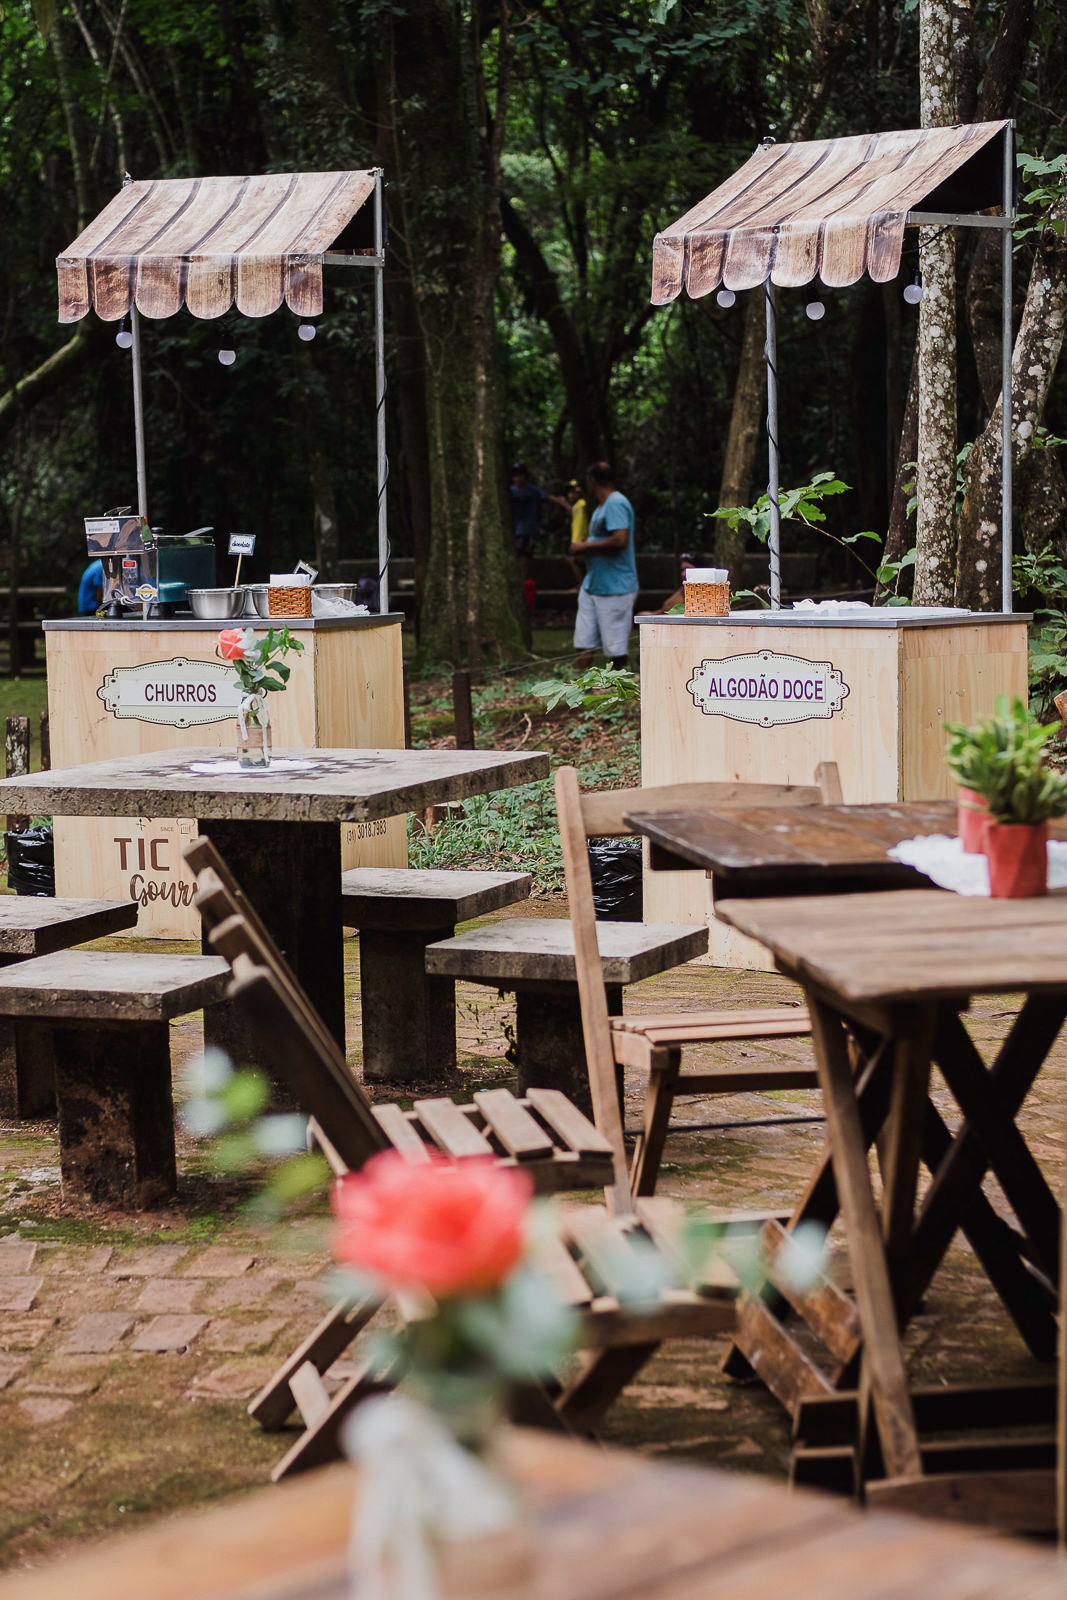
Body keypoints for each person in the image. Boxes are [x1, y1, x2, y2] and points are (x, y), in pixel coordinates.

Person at [570, 461, 638, 669]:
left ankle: (619, 690)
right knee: (583, 641)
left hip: (615, 586)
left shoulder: (616, 503)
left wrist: (584, 546)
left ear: (592, 481)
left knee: (615, 648)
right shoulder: (602, 506)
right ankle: (580, 689)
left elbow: (620, 540)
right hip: (593, 584)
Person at [508, 462, 567, 583]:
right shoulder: (511, 491)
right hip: (514, 529)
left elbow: (549, 497)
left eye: (520, 475)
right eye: (515, 476)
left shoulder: (533, 491)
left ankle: (522, 582)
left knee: (524, 557)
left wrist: (564, 503)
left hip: (528, 529)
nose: (518, 479)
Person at [564, 479, 588, 590]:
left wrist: (576, 541)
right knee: (574, 559)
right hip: (579, 540)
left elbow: (581, 524)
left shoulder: (582, 504)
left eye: (572, 492)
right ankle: (583, 584)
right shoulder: (576, 506)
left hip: (581, 540)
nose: (570, 495)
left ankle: (583, 585)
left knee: (573, 559)